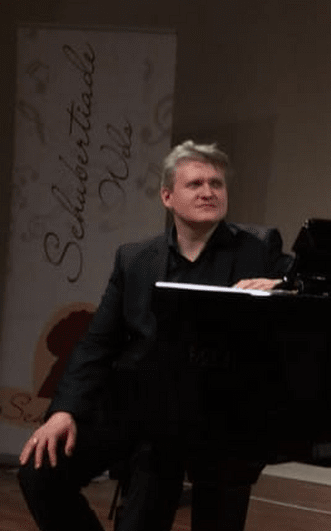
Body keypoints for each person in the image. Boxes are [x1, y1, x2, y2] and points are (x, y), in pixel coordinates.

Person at [18, 140, 292, 531]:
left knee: (163, 486)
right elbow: (97, 344)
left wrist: (282, 285)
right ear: (167, 196)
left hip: (218, 417)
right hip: (141, 408)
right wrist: (64, 411)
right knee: (39, 473)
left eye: (216, 183)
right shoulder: (134, 259)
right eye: (195, 184)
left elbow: (316, 282)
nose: (208, 192)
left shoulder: (258, 249)